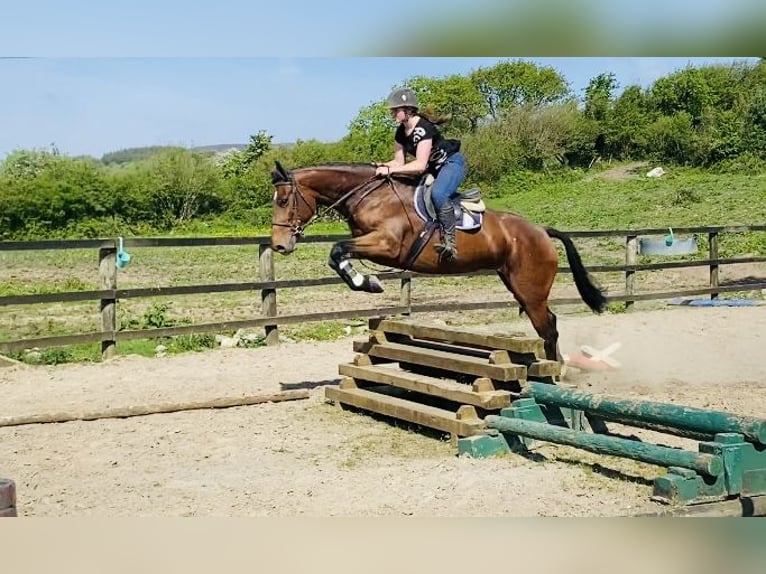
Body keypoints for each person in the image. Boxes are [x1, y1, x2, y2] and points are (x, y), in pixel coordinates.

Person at [374, 87, 465, 260]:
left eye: (395, 110)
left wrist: (390, 170)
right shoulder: (401, 131)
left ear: (407, 110)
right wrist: (380, 166)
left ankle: (450, 243)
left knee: (438, 194)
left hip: (451, 164)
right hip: (434, 169)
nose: (392, 113)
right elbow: (399, 162)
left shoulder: (423, 128)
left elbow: (420, 165)